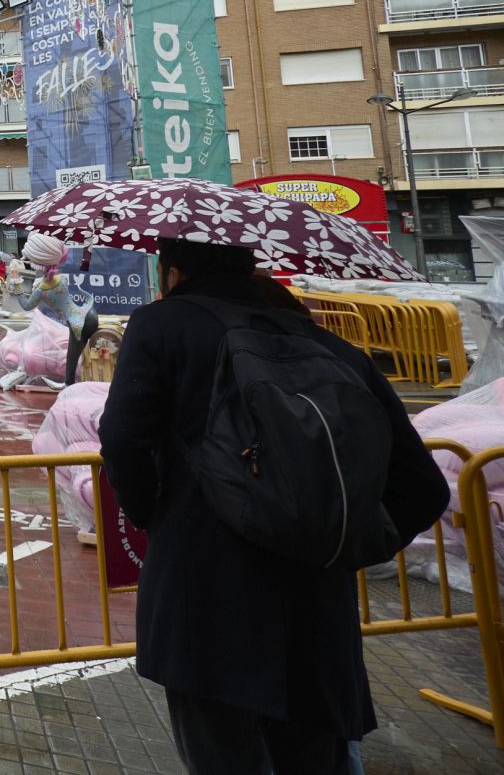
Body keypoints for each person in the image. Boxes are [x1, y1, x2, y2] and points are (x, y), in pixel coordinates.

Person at [98, 238, 448, 774]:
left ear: (172, 273)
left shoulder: (161, 326)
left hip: (204, 597)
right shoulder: (324, 342)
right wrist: (343, 540)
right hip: (317, 605)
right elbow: (424, 486)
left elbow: (123, 441)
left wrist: (161, 520)